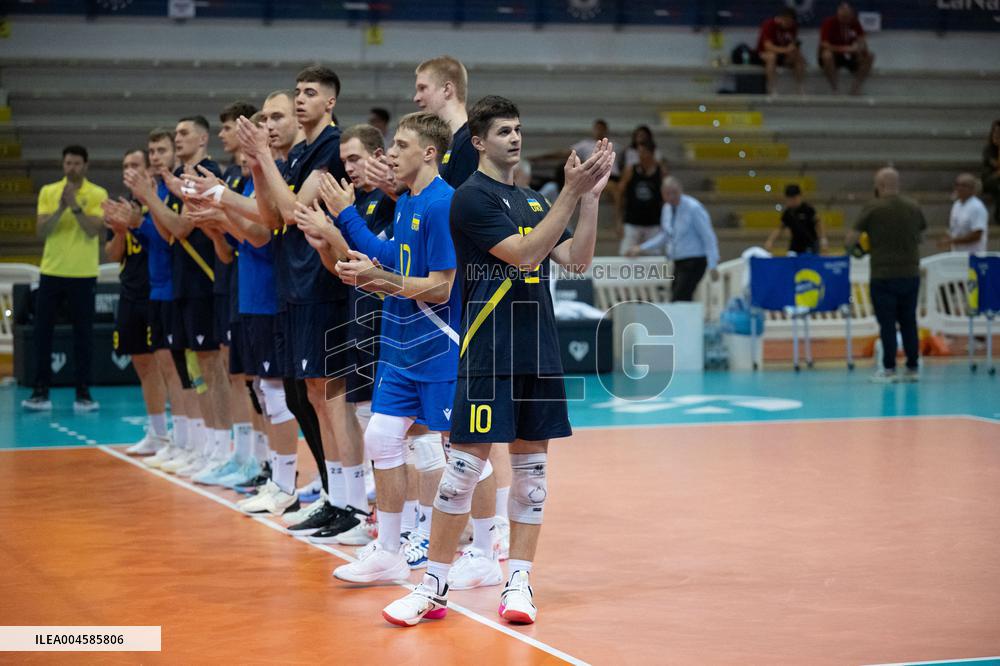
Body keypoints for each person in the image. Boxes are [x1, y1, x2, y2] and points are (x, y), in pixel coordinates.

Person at [381, 96, 614, 627]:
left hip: (538, 352)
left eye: (519, 128)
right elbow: (527, 254)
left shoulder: (535, 201)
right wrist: (570, 195)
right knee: (461, 472)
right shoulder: (470, 199)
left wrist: (591, 199)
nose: (515, 137)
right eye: (503, 131)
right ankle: (433, 587)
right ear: (480, 142)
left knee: (532, 476)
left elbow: (576, 263)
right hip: (489, 352)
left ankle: (519, 582)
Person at [307, 112, 464, 584]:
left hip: (435, 343)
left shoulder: (442, 205)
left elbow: (440, 288)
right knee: (381, 437)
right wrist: (348, 220)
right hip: (398, 345)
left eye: (400, 145)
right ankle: (391, 550)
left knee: (456, 452)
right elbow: (390, 257)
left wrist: (378, 279)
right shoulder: (406, 203)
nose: (390, 155)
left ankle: (470, 542)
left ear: (429, 152)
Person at [238, 66, 368, 524]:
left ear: (330, 102)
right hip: (294, 285)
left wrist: (263, 156)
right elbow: (270, 216)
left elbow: (294, 211)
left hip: (324, 285)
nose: (300, 99)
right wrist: (259, 162)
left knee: (333, 398)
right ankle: (336, 496)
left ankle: (352, 503)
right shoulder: (299, 153)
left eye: (309, 93)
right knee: (314, 396)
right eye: (297, 91)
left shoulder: (330, 148)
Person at [125, 115, 230, 477]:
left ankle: (219, 448)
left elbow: (180, 226)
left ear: (203, 138)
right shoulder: (179, 181)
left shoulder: (205, 173)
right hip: (185, 282)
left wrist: (149, 197)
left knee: (212, 368)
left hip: (204, 280)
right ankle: (202, 445)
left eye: (183, 133)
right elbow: (172, 233)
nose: (177, 138)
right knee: (196, 369)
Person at [133, 128, 202, 470]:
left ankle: (198, 444)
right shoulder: (160, 190)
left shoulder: (176, 188)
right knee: (170, 367)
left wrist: (148, 204)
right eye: (153, 150)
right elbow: (163, 232)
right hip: (161, 287)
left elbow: (175, 230)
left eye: (162, 150)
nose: (158, 155)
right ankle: (183, 440)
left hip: (180, 287)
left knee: (189, 372)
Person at [23, 145, 107, 412]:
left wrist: (76, 208)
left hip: (83, 273)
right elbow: (41, 231)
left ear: (86, 166)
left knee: (84, 336)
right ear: (63, 165)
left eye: (76, 163)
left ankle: (83, 392)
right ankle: (40, 391)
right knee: (42, 334)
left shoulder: (97, 194)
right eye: (67, 163)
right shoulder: (49, 192)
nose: (71, 168)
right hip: (51, 271)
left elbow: (95, 231)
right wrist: (60, 208)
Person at [102, 149, 171, 455]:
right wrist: (119, 231)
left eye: (135, 165)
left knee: (165, 364)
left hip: (156, 291)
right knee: (142, 364)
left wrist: (137, 222)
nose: (128, 170)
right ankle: (156, 432)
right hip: (130, 293)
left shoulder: (157, 203)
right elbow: (113, 255)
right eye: (125, 165)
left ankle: (177, 433)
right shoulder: (122, 206)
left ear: (147, 171)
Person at [845, 167, 927, 383]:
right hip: (910, 273)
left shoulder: (872, 208)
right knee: (909, 321)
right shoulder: (913, 206)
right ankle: (912, 367)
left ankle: (889, 368)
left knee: (887, 323)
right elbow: (920, 235)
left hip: (883, 274)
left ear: (879, 185)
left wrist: (860, 251)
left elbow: (850, 240)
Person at [626, 177, 720, 302]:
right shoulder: (667, 209)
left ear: (680, 190)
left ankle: (683, 321)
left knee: (680, 297)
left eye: (674, 192)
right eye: (667, 193)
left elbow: (708, 236)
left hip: (695, 260)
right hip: (678, 260)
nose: (671, 196)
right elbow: (666, 235)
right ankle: (685, 321)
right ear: (662, 194)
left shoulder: (694, 208)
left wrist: (713, 263)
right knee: (678, 296)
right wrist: (641, 248)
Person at [414, 55, 478, 189]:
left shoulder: (469, 141)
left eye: (422, 88)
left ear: (447, 90)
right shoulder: (447, 144)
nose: (416, 98)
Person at [616, 141, 665, 254]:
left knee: (655, 258)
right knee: (626, 254)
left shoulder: (660, 171)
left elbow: (665, 197)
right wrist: (619, 220)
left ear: (651, 153)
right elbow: (620, 193)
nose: (640, 156)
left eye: (643, 153)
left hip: (654, 222)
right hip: (632, 221)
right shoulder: (630, 170)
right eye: (639, 153)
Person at [818, 2, 874, 95]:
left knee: (870, 56)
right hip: (835, 55)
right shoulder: (829, 23)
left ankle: (856, 87)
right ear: (838, 13)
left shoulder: (855, 23)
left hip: (850, 56)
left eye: (847, 16)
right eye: (843, 16)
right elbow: (824, 44)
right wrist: (845, 49)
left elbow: (862, 41)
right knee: (826, 56)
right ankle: (834, 87)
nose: (845, 18)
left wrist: (860, 48)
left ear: (851, 14)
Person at [764, 183, 828, 254]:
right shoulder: (788, 213)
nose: (792, 201)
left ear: (800, 197)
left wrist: (823, 240)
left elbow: (818, 224)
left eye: (794, 198)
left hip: (810, 243)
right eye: (790, 199)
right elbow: (779, 228)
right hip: (796, 245)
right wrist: (770, 241)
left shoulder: (808, 210)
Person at [755, 8, 806, 95]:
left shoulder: (793, 27)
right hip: (763, 54)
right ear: (781, 18)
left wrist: (793, 51)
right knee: (772, 57)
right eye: (787, 22)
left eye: (791, 23)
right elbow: (768, 46)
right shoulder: (769, 25)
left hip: (782, 54)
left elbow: (792, 44)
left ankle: (800, 87)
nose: (788, 25)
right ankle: (772, 88)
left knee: (799, 58)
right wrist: (786, 50)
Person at [942, 173, 989, 254]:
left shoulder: (977, 207)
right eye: (957, 185)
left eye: (964, 185)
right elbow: (953, 227)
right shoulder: (957, 205)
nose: (959, 188)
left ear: (973, 189)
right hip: (957, 253)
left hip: (973, 256)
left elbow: (977, 235)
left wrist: (953, 241)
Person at [981, 119, 1000, 225]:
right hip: (990, 179)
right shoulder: (988, 150)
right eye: (995, 132)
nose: (997, 135)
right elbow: (994, 165)